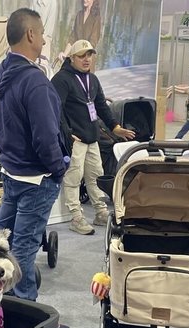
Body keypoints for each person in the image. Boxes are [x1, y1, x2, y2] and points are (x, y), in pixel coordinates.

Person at [0, 8, 71, 328]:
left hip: (11, 172)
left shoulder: (2, 73)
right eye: (42, 33)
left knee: (1, 244)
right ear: (31, 36)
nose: (44, 39)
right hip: (37, 179)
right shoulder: (35, 80)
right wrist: (59, 168)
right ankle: (29, 326)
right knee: (21, 251)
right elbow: (45, 136)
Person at [51, 39, 134, 235]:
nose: (87, 59)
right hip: (75, 139)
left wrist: (115, 127)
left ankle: (100, 211)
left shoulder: (92, 79)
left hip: (92, 138)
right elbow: (56, 108)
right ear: (72, 58)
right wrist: (66, 132)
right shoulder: (61, 79)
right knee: (73, 177)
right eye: (82, 56)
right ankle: (75, 216)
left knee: (96, 176)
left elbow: (101, 106)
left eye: (89, 55)